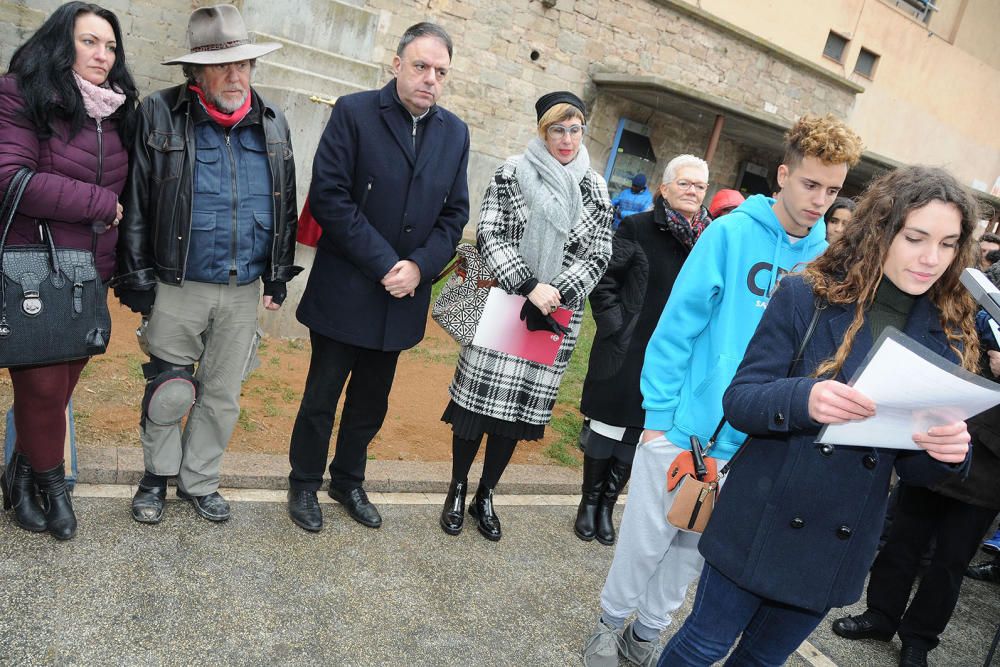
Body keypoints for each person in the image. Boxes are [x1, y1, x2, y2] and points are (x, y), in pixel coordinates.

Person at [658, 165, 979, 667]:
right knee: (703, 646)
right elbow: (741, 400)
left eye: (947, 244)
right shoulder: (807, 293)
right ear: (882, 229)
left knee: (762, 662)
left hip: (835, 544)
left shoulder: (948, 333)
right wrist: (804, 401)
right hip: (761, 516)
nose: (930, 258)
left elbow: (911, 468)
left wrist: (948, 453)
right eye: (916, 238)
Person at [583, 113, 863, 667]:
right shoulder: (730, 232)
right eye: (810, 184)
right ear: (783, 174)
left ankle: (646, 634)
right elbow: (677, 326)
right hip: (685, 428)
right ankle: (609, 625)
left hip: (754, 445)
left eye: (832, 191)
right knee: (644, 544)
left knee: (692, 553)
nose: (819, 201)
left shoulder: (824, 263)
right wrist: (660, 416)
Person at [115, 4, 299, 525]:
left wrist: (278, 276)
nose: (235, 75)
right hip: (178, 283)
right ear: (196, 71)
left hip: (242, 289)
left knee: (222, 394)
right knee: (168, 391)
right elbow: (137, 201)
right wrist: (139, 280)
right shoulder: (158, 112)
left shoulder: (272, 119)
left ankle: (200, 481)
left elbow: (284, 201)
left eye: (243, 64)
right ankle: (156, 477)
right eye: (222, 65)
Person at [286, 22, 470, 533]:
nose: (430, 78)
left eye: (440, 71)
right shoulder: (354, 112)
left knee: (371, 402)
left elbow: (454, 216)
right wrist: (387, 263)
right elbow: (329, 196)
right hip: (348, 290)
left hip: (402, 298)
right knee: (322, 396)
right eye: (421, 66)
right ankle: (303, 483)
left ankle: (348, 479)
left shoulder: (455, 133)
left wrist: (418, 267)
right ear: (397, 65)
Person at [439, 91, 612, 542]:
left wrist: (558, 290)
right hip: (507, 302)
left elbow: (599, 251)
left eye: (575, 129)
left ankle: (486, 494)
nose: (567, 139)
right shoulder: (513, 171)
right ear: (543, 131)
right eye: (558, 129)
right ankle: (457, 488)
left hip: (554, 314)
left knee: (516, 412)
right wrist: (529, 285)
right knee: (476, 405)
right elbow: (491, 233)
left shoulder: (594, 185)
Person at [0, 2, 137, 540]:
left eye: (110, 45)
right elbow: (10, 179)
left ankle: (21, 474)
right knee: (40, 390)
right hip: (33, 272)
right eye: (89, 42)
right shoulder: (21, 95)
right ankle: (52, 486)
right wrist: (97, 203)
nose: (102, 55)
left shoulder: (118, 111)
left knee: (58, 391)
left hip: (89, 277)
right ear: (62, 43)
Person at [831, 295, 1000, 667]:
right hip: (942, 431)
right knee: (903, 538)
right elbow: (957, 328)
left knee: (951, 559)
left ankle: (920, 638)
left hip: (991, 467)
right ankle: (880, 614)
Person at [575, 155, 712, 547]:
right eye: (684, 183)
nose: (692, 191)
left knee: (640, 429)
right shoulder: (637, 227)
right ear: (665, 188)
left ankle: (607, 505)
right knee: (607, 424)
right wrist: (617, 326)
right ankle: (588, 503)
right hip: (626, 347)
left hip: (672, 358)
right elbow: (603, 282)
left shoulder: (709, 239)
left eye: (699, 186)